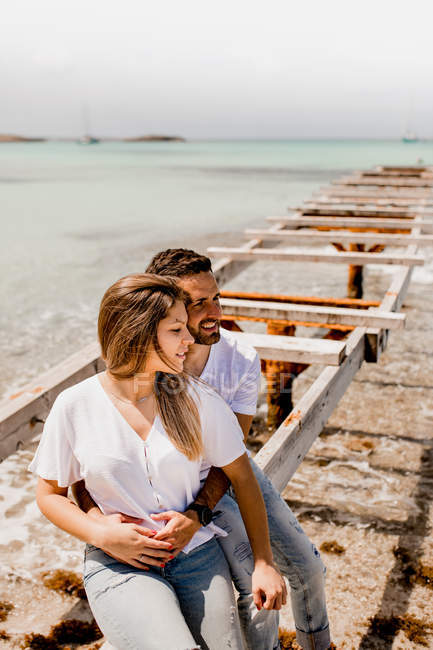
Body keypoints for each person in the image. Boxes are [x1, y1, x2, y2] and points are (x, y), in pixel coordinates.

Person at [74, 249, 332, 650]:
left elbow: (233, 463)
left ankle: (317, 643)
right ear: (166, 309)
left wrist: (196, 514)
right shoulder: (141, 366)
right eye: (197, 304)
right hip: (164, 484)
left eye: (217, 297)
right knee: (251, 589)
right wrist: (97, 522)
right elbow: (91, 458)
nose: (214, 312)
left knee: (310, 570)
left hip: (224, 477)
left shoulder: (241, 358)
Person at [29, 274, 286, 650]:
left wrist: (264, 563)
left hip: (197, 554)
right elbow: (48, 494)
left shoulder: (199, 400)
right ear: (138, 333)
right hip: (118, 562)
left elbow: (243, 479)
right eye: (176, 329)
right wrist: (100, 533)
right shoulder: (75, 405)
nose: (189, 339)